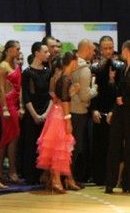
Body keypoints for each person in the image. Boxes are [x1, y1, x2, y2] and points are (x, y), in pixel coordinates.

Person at [104, 40, 130, 194]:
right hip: (120, 111)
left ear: (127, 50)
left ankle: (129, 184)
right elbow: (119, 92)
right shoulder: (123, 68)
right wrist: (112, 82)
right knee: (114, 147)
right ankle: (110, 183)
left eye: (122, 50)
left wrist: (126, 100)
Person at [36, 52, 79, 193]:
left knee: (57, 147)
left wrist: (72, 93)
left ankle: (55, 179)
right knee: (59, 148)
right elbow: (64, 101)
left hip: (55, 114)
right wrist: (68, 120)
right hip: (60, 116)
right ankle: (55, 180)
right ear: (73, 61)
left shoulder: (62, 78)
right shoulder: (65, 79)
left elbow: (59, 98)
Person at [90, 36, 124, 185]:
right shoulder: (94, 67)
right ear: (100, 49)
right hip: (99, 112)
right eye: (105, 48)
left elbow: (121, 92)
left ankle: (114, 178)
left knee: (114, 147)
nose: (108, 51)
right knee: (99, 146)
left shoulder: (120, 66)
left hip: (114, 112)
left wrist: (114, 110)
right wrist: (93, 110)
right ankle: (99, 177)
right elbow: (92, 91)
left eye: (110, 47)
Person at [19, 42, 51, 185]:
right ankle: (31, 175)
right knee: (31, 144)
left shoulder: (48, 71)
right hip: (32, 112)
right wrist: (35, 115)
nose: (48, 54)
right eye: (45, 51)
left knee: (44, 145)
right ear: (37, 53)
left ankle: (43, 174)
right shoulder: (27, 73)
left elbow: (51, 94)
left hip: (46, 111)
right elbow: (26, 96)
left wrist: (46, 114)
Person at [70, 39, 98, 185]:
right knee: (76, 147)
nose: (94, 53)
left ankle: (67, 178)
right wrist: (95, 89)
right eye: (92, 50)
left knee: (69, 147)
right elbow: (85, 96)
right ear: (86, 49)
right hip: (79, 112)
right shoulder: (85, 69)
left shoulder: (71, 64)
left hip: (69, 110)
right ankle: (70, 179)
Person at [0, 40, 23, 184]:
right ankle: (8, 171)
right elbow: (0, 88)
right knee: (10, 136)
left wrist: (21, 105)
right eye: (17, 49)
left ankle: (4, 171)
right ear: (10, 50)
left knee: (12, 136)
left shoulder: (17, 65)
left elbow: (20, 87)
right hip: (6, 103)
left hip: (15, 103)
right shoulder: (2, 66)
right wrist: (5, 108)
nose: (19, 51)